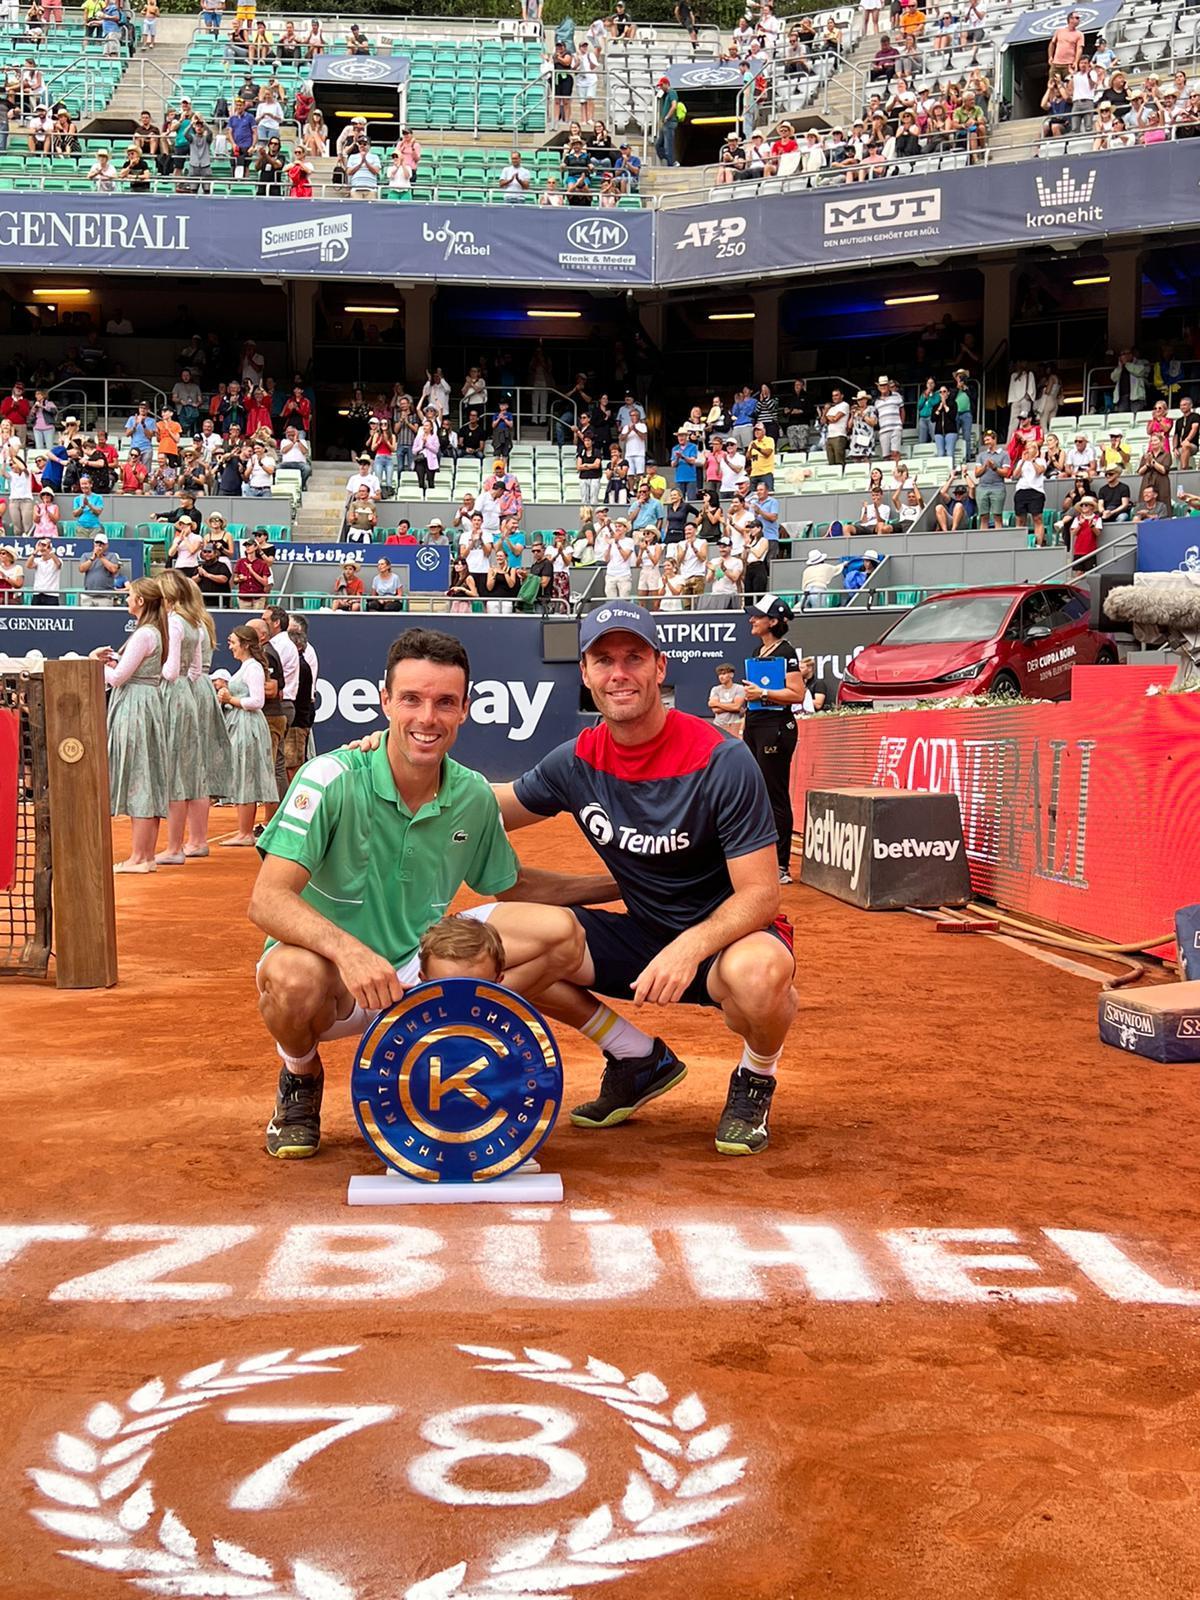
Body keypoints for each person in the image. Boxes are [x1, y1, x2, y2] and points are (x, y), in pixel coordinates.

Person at [249, 628, 610, 1158]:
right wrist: (348, 952)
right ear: (385, 702)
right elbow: (268, 900)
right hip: (336, 981)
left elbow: (515, 886)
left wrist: (621, 883)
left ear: (465, 709)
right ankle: (301, 1076)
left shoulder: (472, 794)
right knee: (290, 977)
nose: (427, 718)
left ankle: (456, 1057)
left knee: (558, 933)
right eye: (412, 699)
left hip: (421, 976)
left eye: (445, 702)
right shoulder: (327, 778)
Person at [475, 601, 796, 1157]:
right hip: (642, 935)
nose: (619, 673)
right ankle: (635, 1056)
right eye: (604, 660)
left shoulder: (721, 758)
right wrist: (391, 764)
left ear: (659, 667)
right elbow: (482, 809)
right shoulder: (576, 759)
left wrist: (689, 948)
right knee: (503, 945)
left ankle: (755, 1076)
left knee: (761, 975)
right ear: (586, 673)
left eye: (634, 658)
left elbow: (761, 895)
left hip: (726, 942)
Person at [88, 577, 171, 873]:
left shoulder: (144, 634)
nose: (126, 599)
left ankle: (139, 857)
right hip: (146, 703)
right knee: (147, 776)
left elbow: (119, 678)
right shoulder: (153, 633)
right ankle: (145, 856)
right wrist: (112, 664)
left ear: (140, 602)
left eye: (130, 595)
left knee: (140, 777)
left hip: (136, 706)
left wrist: (96, 663)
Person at [741, 593, 805, 886]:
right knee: (757, 793)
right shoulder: (760, 650)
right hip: (756, 725)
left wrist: (763, 694)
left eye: (758, 616)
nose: (752, 619)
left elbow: (797, 694)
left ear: (774, 621)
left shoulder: (786, 652)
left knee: (774, 794)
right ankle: (762, 859)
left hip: (776, 727)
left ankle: (781, 865)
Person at [418, 914, 505, 984]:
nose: (458, 997)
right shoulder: (409, 1005)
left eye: (475, 986)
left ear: (498, 980)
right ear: (423, 979)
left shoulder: (510, 1005)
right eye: (446, 986)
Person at [709, 661, 746, 739]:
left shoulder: (739, 688)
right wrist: (732, 706)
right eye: (719, 674)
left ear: (731, 675)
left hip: (734, 724)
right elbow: (715, 709)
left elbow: (736, 707)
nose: (721, 677)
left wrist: (717, 704)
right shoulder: (715, 689)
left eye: (724, 674)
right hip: (719, 724)